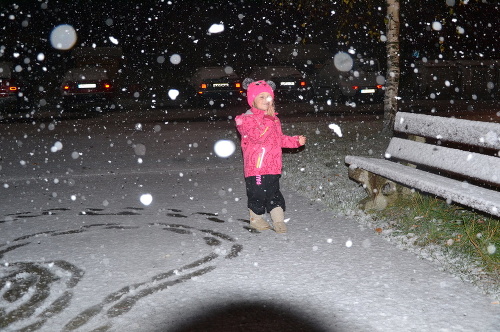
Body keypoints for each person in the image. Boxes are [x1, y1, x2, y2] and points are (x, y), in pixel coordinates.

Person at [235, 79, 306, 233]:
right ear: (252, 100)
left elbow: (278, 139)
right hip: (256, 168)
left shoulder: (274, 119)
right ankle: (256, 218)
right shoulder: (244, 120)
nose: (266, 100)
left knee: (274, 194)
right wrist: (268, 120)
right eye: (261, 97)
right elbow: (258, 136)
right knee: (258, 194)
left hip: (273, 165)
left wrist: (295, 141)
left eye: (268, 97)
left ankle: (278, 220)